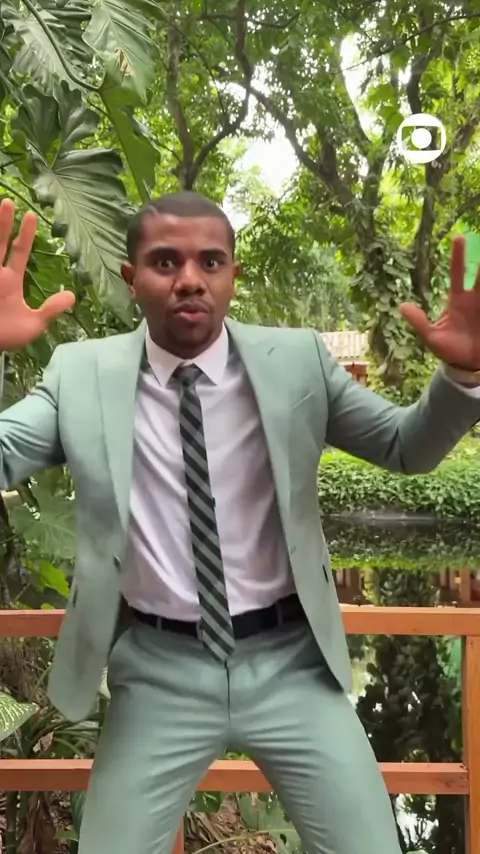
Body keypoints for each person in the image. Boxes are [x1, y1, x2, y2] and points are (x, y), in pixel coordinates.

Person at [0, 192, 479, 854]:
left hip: (292, 664)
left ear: (233, 274)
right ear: (131, 277)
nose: (189, 279)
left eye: (210, 261)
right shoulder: (80, 375)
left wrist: (462, 372)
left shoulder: (299, 361)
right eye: (164, 262)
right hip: (159, 671)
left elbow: (406, 447)